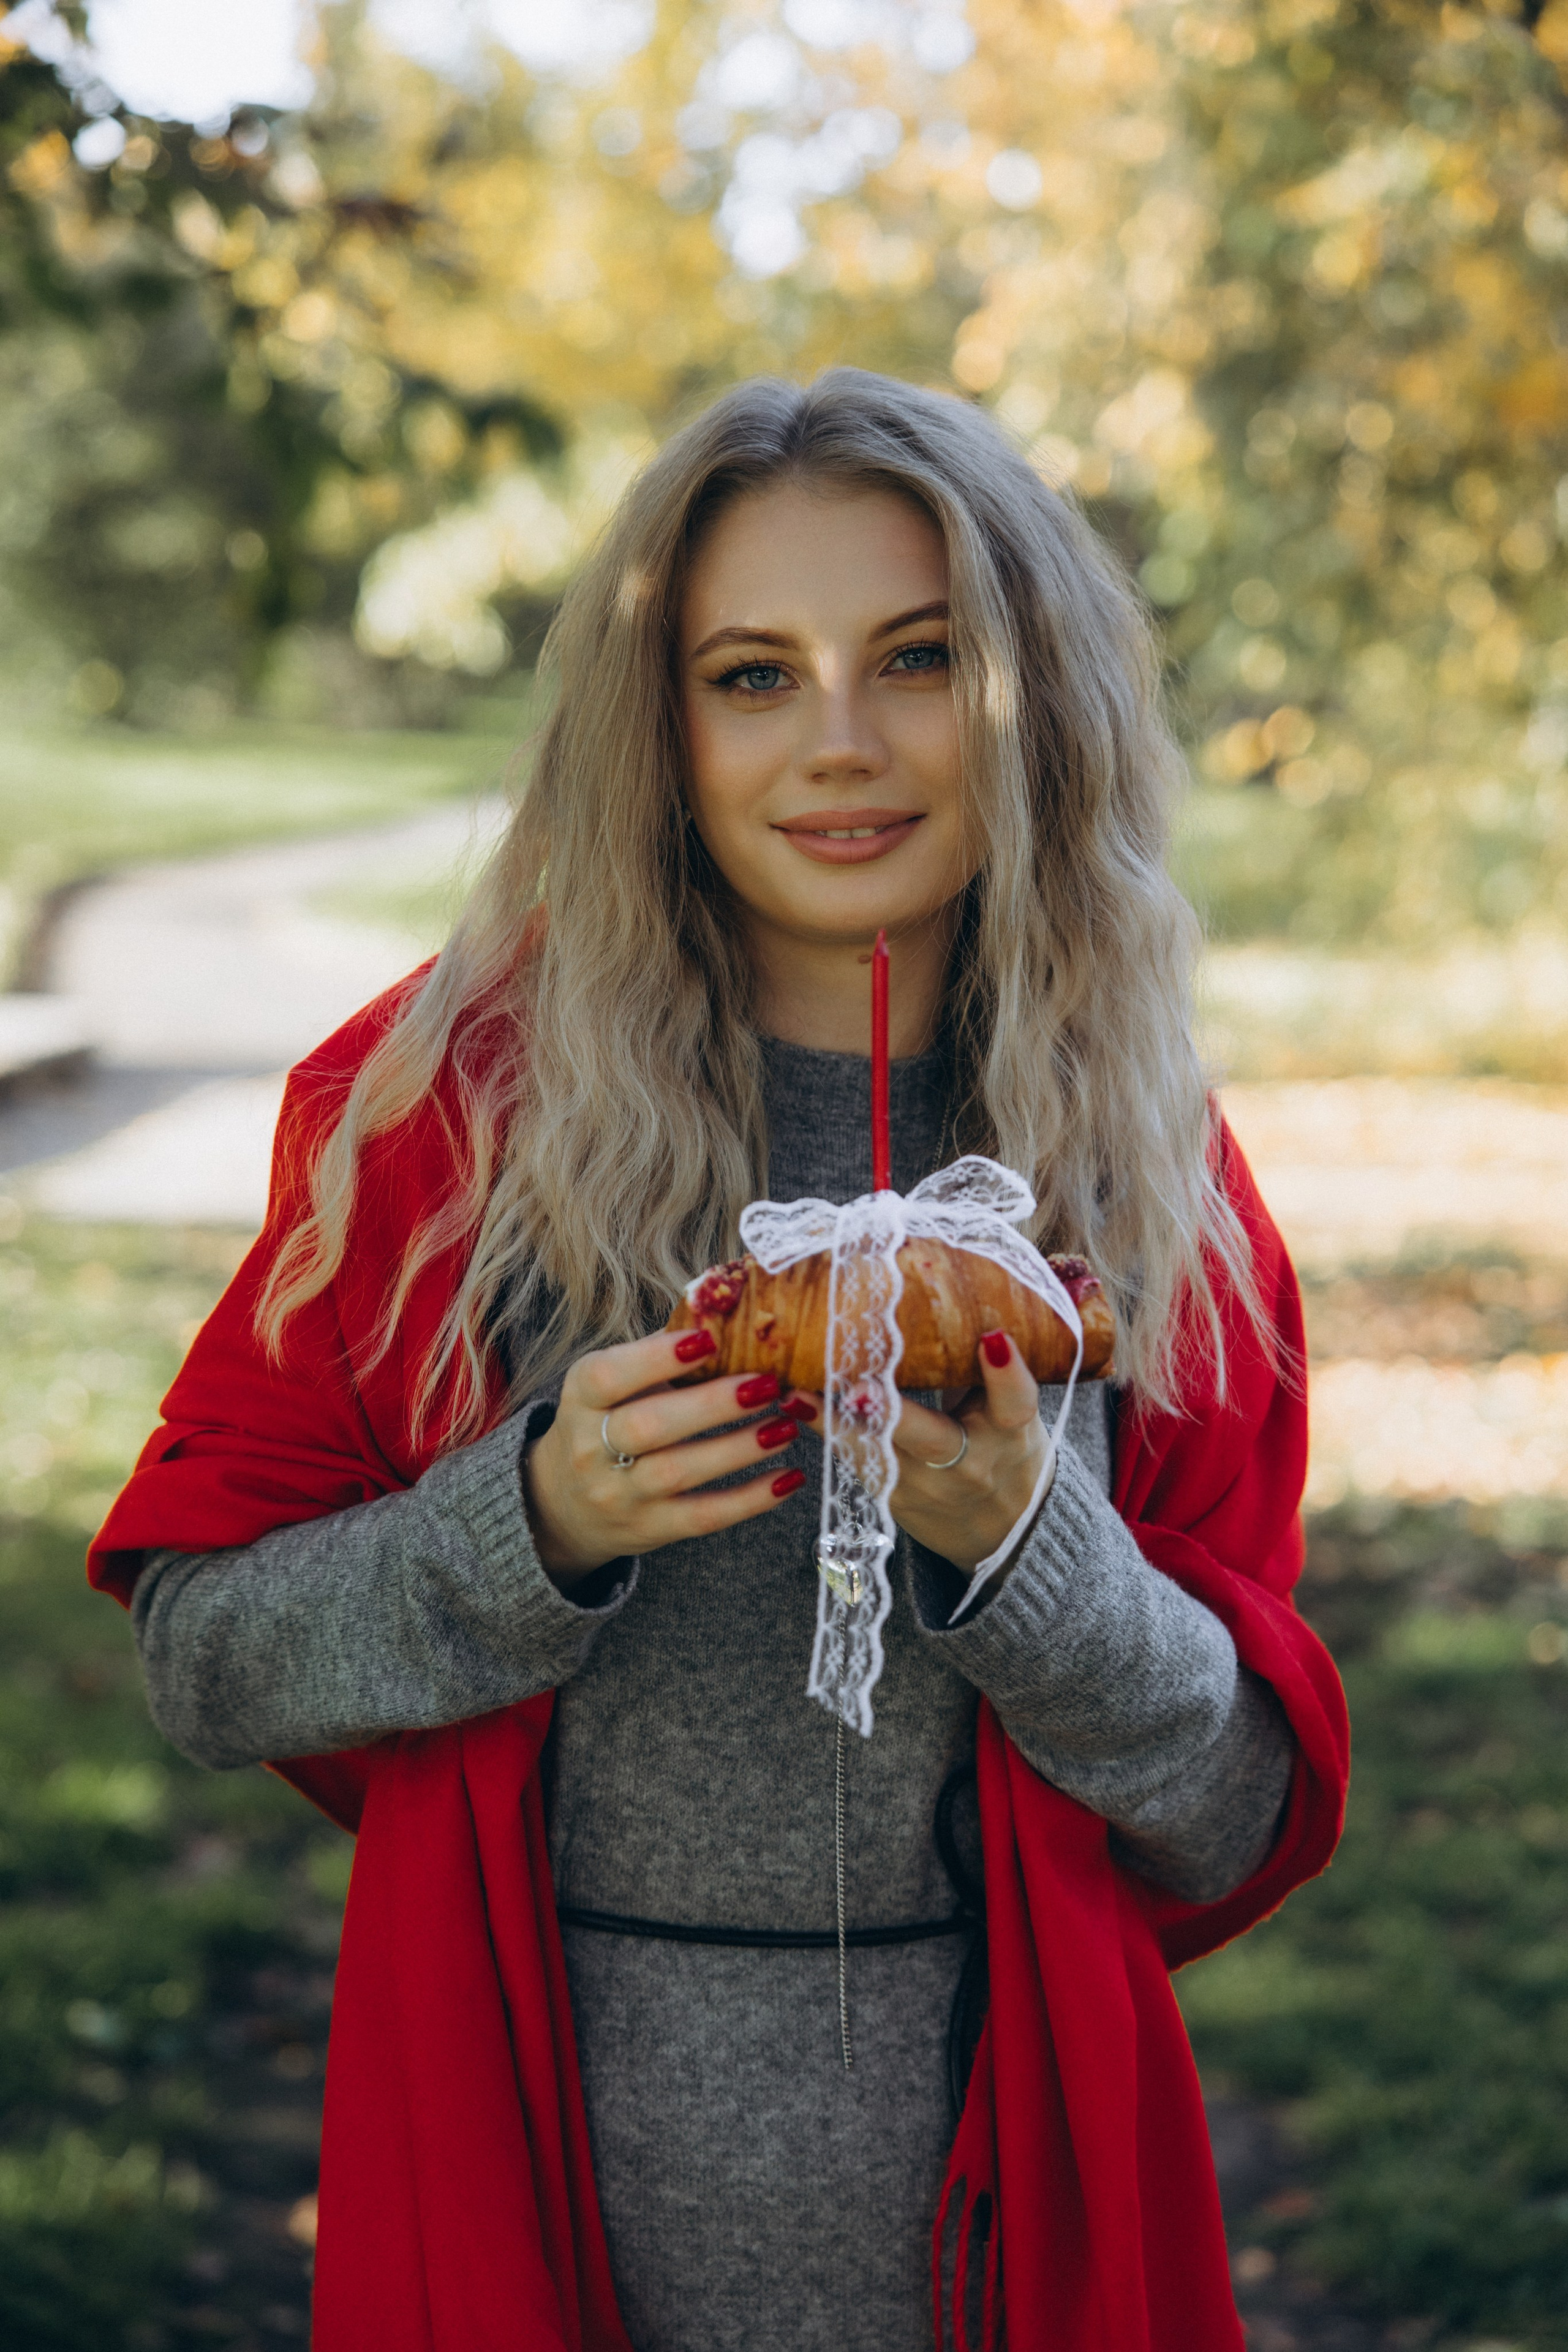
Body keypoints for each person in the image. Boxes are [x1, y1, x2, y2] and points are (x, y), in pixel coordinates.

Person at [91, 370, 1348, 2352]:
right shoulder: (438, 1118)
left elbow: (1237, 1807)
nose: (840, 746)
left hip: (1019, 2204)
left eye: (918, 659)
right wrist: (524, 1530)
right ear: (655, 728)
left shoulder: (1139, 1160)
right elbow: (205, 1652)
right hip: (533, 2162)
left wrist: (1044, 1565)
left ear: (1035, 692)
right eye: (753, 676)